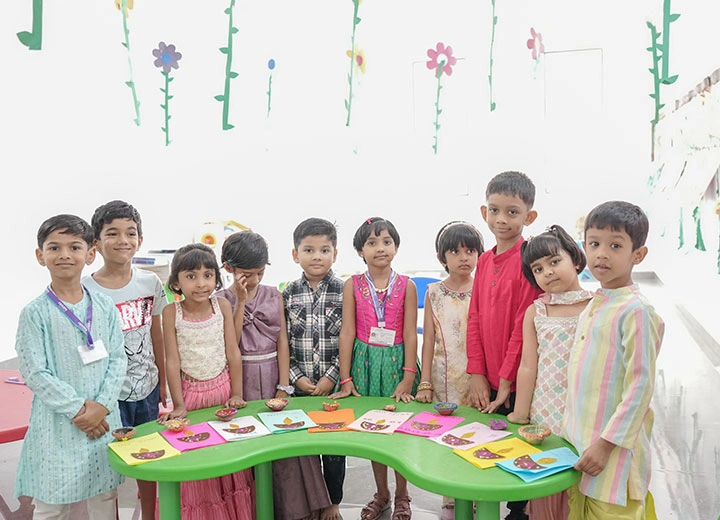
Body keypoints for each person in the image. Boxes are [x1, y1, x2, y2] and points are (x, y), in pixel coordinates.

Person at [15, 214, 127, 519]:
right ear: (40, 256)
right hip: (58, 423)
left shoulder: (104, 306)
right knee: (52, 503)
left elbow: (118, 359)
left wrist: (101, 407)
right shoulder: (35, 313)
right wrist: (81, 410)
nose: (64, 254)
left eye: (74, 247)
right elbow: (35, 372)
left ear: (90, 254)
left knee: (105, 495)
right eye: (54, 248)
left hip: (103, 419)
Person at [217, 230, 331, 520]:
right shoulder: (221, 300)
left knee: (285, 442)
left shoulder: (274, 294)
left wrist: (284, 385)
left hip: (271, 374)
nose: (254, 279)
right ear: (228, 268)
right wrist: (241, 300)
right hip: (241, 376)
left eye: (259, 272)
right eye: (247, 274)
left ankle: (295, 510)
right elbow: (232, 341)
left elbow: (282, 342)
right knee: (247, 441)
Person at [563, 201, 664, 519]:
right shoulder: (597, 302)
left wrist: (606, 444)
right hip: (580, 447)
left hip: (612, 455)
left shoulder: (636, 311)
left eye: (615, 245)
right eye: (594, 244)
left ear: (638, 255)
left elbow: (640, 388)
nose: (601, 254)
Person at [83, 200, 167, 520]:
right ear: (96, 242)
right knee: (107, 467)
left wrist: (163, 384)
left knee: (150, 459)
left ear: (140, 240)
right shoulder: (85, 289)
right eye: (112, 233)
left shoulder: (150, 283)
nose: (123, 240)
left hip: (146, 389)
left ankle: (149, 515)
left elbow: (157, 333)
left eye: (130, 233)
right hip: (107, 396)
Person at [330, 217, 418, 520]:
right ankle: (382, 493)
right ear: (360, 251)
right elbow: (347, 333)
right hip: (365, 365)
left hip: (397, 364)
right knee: (374, 432)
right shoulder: (352, 285)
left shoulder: (407, 285)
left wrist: (408, 376)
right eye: (372, 242)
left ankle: (403, 494)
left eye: (386, 241)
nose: (380, 248)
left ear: (396, 247)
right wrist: (346, 378)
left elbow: (410, 333)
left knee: (399, 432)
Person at [466, 170, 542, 520]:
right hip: (489, 378)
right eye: (494, 210)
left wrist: (507, 380)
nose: (502, 219)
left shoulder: (530, 261)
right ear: (484, 212)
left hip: (520, 380)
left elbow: (521, 330)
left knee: (519, 448)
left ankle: (518, 511)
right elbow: (475, 318)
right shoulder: (483, 260)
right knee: (488, 444)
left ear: (529, 217)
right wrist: (477, 372)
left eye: (512, 212)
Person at [160, 243, 254, 520]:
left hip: (223, 393)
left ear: (216, 278)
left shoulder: (222, 305)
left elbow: (232, 351)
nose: (201, 283)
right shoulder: (171, 313)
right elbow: (172, 362)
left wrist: (237, 393)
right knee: (196, 461)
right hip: (190, 396)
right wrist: (178, 405)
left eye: (208, 275)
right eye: (191, 276)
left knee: (226, 460)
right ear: (176, 281)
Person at [506, 225, 594, 520]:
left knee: (582, 481)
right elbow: (528, 365)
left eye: (555, 261)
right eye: (538, 269)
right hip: (546, 414)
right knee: (548, 482)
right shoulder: (536, 311)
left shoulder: (597, 306)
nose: (548, 272)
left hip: (585, 412)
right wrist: (520, 414)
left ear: (576, 259)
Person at [415, 220, 483, 520]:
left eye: (470, 251)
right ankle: (450, 495)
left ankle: (476, 492)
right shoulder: (433, 292)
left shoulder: (483, 289)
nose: (464, 257)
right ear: (442, 257)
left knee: (477, 434)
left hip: (477, 377)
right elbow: (428, 339)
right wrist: (425, 382)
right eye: (455, 251)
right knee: (446, 435)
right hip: (443, 378)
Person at [282, 218, 346, 520]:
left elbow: (349, 338)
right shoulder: (288, 293)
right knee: (304, 450)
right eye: (308, 250)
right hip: (301, 386)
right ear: (296, 254)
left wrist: (332, 377)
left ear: (335, 253)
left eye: (324, 250)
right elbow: (284, 342)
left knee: (333, 449)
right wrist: (297, 378)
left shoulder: (345, 291)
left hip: (333, 389)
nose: (316, 256)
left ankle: (333, 502)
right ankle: (310, 503)